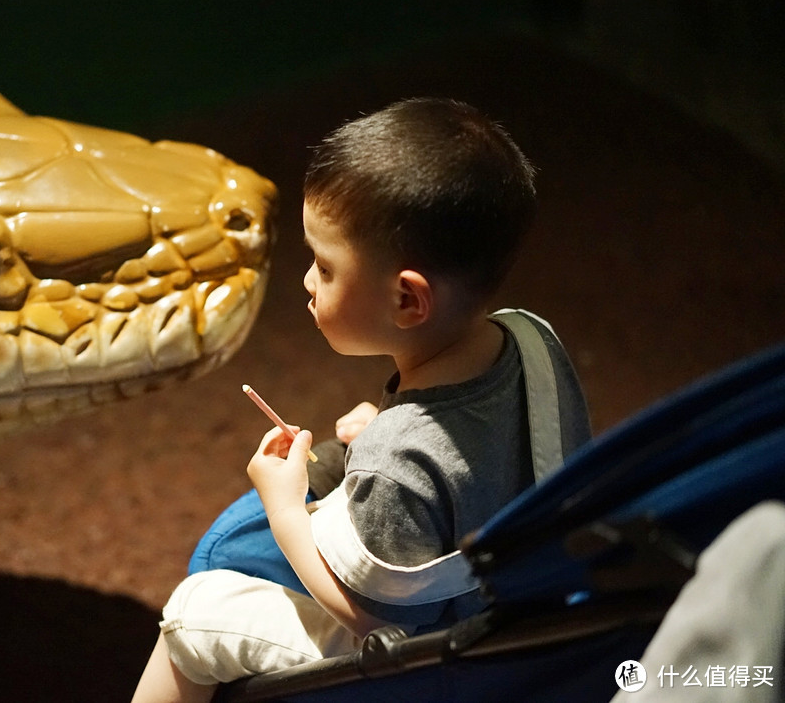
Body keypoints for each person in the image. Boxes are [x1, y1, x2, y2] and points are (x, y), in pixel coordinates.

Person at [132, 98, 592, 703]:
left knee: (195, 616)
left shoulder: (395, 456)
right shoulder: (533, 338)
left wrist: (285, 508)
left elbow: (376, 621)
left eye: (324, 266)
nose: (306, 280)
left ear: (407, 301)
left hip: (439, 657)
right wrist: (386, 433)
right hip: (529, 602)